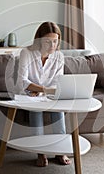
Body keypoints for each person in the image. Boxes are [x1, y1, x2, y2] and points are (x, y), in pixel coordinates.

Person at [16, 21, 71, 167]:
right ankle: (40, 152)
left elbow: (58, 81)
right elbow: (22, 81)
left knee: (57, 110)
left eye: (55, 41)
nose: (52, 46)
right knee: (36, 110)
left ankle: (60, 150)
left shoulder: (59, 56)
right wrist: (42, 90)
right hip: (28, 94)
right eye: (48, 41)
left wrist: (43, 91)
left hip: (47, 94)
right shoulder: (26, 53)